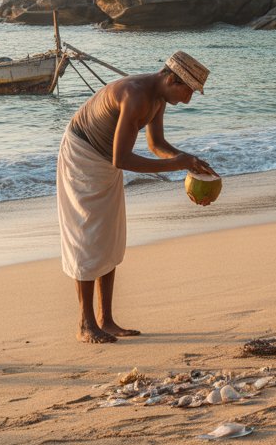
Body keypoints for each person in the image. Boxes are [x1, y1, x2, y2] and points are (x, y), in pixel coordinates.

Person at [57, 50, 217, 344]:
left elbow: (156, 144)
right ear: (171, 79)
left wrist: (187, 160)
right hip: (83, 156)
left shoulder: (158, 98)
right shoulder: (135, 95)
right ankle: (85, 323)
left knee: (110, 236)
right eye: (188, 91)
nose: (189, 100)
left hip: (104, 159)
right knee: (88, 236)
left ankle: (106, 319)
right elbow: (122, 159)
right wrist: (176, 164)